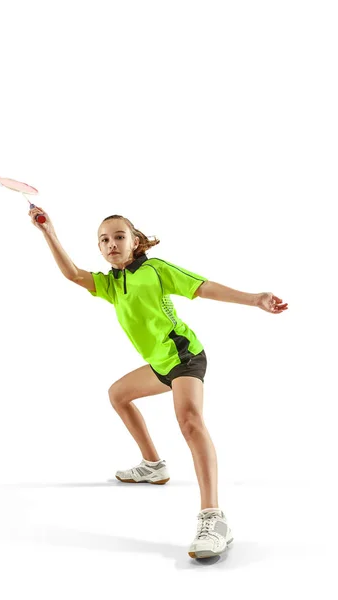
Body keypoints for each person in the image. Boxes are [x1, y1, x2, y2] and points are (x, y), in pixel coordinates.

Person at [28, 205, 288, 559]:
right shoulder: (110, 284)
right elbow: (73, 274)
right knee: (118, 395)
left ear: (135, 241)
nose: (111, 244)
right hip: (160, 364)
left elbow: (203, 287)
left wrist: (254, 298)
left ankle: (214, 517)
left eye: (119, 236)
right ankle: (153, 465)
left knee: (190, 422)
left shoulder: (155, 269)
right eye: (103, 240)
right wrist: (48, 232)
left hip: (185, 357)